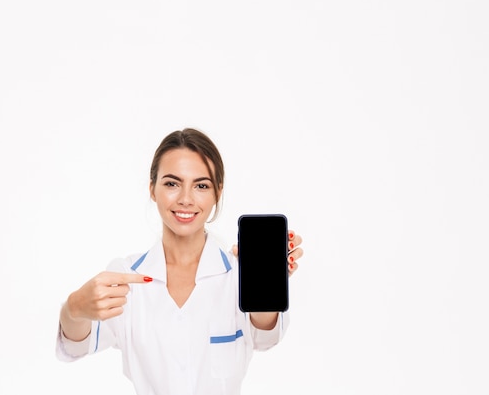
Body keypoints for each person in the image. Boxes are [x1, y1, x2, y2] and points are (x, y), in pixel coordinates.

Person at [56, 127, 304, 395]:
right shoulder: (126, 277)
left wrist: (266, 282)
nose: (186, 199)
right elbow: (75, 345)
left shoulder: (237, 274)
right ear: (153, 189)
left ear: (217, 192)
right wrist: (73, 308)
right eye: (172, 183)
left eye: (201, 185)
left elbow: (266, 337)